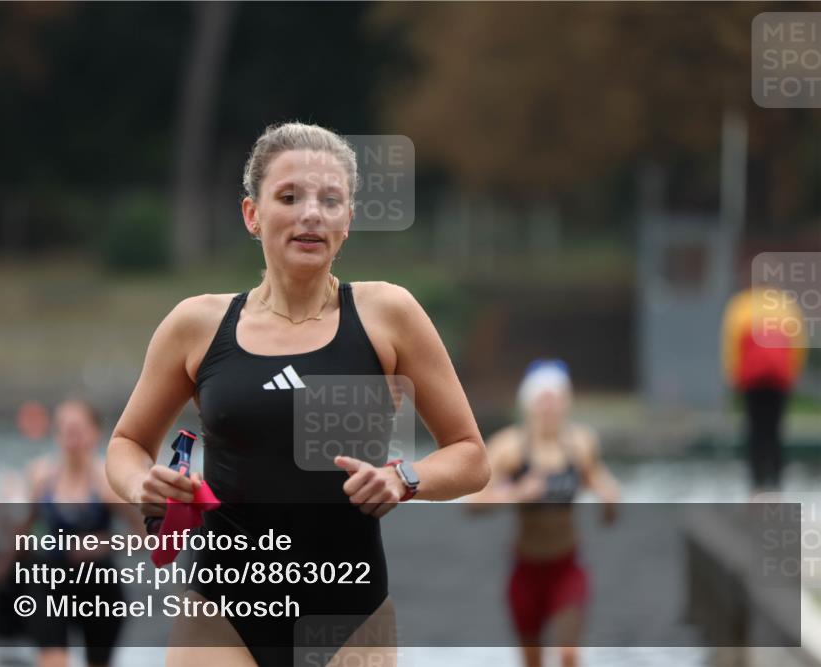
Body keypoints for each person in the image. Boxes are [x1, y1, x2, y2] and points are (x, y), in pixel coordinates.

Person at [106, 121, 489, 666]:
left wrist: (405, 479)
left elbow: (472, 456)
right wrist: (142, 485)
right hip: (221, 611)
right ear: (251, 214)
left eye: (330, 200)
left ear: (348, 221)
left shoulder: (390, 315)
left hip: (349, 612)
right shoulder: (195, 324)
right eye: (289, 197)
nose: (311, 213)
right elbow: (126, 442)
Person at [466, 360, 620, 667]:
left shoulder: (580, 444)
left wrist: (609, 502)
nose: (549, 409)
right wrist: (516, 494)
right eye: (542, 401)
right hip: (525, 569)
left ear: (566, 403)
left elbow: (604, 490)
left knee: (568, 655)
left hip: (567, 567)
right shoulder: (510, 447)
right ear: (529, 405)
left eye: (555, 401)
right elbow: (473, 503)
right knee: (532, 662)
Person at [22, 398, 145, 667]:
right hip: (51, 582)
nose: (69, 437)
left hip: (99, 586)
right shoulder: (41, 476)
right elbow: (24, 531)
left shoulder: (107, 481)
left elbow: (144, 537)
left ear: (94, 433)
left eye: (76, 429)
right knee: (53, 661)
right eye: (63, 429)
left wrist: (104, 544)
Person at [720, 282, 808, 493]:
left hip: (752, 379)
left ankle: (756, 486)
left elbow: (731, 342)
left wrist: (731, 375)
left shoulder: (741, 306)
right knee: (776, 430)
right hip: (779, 379)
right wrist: (793, 372)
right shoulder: (786, 306)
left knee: (754, 430)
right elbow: (799, 342)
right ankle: (777, 485)